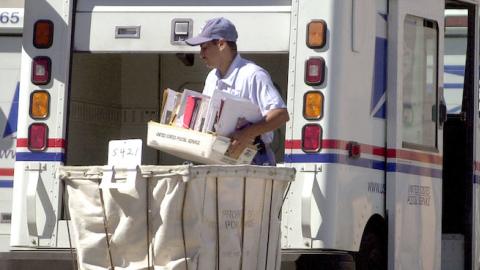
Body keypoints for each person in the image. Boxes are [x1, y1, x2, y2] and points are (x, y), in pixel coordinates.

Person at [185, 17, 289, 165]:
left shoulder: (252, 75)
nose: (201, 54)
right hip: (219, 160)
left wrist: (247, 134)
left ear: (221, 44)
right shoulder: (212, 78)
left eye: (204, 47)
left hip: (253, 162)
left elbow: (280, 114)